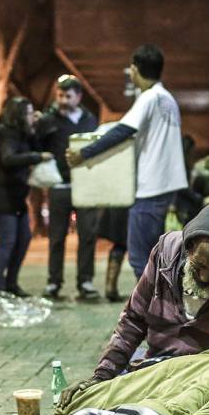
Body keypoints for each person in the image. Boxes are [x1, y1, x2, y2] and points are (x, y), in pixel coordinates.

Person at [59, 196, 209, 406]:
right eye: (199, 266)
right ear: (189, 247)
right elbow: (133, 319)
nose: (206, 276)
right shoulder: (164, 255)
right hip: (160, 366)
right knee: (94, 401)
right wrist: (101, 377)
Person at [67, 44, 189, 279]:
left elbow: (122, 131)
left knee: (139, 257)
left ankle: (152, 310)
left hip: (151, 186)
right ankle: (159, 307)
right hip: (166, 184)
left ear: (135, 69)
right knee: (154, 256)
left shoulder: (149, 97)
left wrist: (85, 153)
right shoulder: (167, 99)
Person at [36, 75, 100, 300]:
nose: (63, 100)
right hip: (59, 185)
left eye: (68, 96)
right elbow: (37, 144)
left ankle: (86, 282)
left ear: (78, 97)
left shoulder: (90, 119)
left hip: (85, 185)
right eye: (60, 95)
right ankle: (54, 282)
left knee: (88, 235)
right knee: (56, 236)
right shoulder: (48, 120)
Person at [0, 97, 52, 297]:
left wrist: (34, 128)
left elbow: (37, 146)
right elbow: (8, 159)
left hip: (15, 196)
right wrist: (36, 158)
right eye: (30, 113)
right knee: (8, 241)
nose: (33, 115)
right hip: (1, 195)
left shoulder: (22, 133)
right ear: (20, 114)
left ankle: (11, 283)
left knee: (23, 239)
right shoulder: (6, 133)